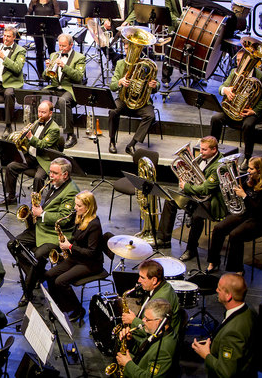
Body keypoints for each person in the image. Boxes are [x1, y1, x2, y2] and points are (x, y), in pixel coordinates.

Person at [10, 157, 79, 306]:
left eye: (54, 173)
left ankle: (28, 292)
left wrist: (41, 213)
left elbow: (64, 219)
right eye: (50, 172)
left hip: (57, 234)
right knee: (13, 244)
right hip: (42, 228)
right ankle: (36, 276)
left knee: (38, 255)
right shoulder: (55, 184)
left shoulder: (71, 191)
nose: (50, 176)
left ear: (65, 175)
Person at [157, 136, 227, 260]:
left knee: (197, 215)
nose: (201, 152)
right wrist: (184, 179)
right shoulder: (202, 158)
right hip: (196, 193)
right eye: (201, 149)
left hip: (212, 200)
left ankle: (191, 249)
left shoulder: (219, 166)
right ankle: (164, 239)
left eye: (204, 150)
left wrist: (187, 186)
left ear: (214, 150)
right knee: (170, 200)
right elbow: (195, 177)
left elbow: (206, 189)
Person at [207, 157, 262, 273]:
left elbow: (259, 209)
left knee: (235, 235)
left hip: (261, 221)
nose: (248, 171)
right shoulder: (250, 181)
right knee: (218, 228)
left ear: (259, 171)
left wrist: (244, 196)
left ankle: (238, 269)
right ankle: (213, 261)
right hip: (246, 214)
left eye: (251, 168)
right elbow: (241, 199)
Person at [45, 191, 103, 322]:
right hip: (76, 257)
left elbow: (91, 253)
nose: (75, 208)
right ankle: (60, 305)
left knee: (61, 281)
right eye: (76, 205)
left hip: (90, 263)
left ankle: (78, 309)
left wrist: (70, 247)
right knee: (49, 275)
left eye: (79, 206)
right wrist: (67, 240)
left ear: (88, 207)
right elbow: (78, 239)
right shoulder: (80, 217)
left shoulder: (94, 225)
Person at [210, 49, 262, 171]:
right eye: (238, 60)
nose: (239, 63)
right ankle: (213, 151)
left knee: (248, 125)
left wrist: (254, 111)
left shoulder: (261, 76)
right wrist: (225, 90)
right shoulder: (234, 72)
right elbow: (222, 87)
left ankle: (248, 157)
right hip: (233, 110)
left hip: (249, 111)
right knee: (215, 118)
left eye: (241, 60)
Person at [192, 273, 256, 377]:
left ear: (228, 296)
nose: (216, 290)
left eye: (219, 289)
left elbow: (226, 372)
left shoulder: (233, 333)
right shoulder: (249, 309)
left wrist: (206, 355)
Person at [0, 100, 60, 206]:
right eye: (39, 111)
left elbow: (43, 145)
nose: (40, 115)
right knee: (11, 167)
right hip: (31, 157)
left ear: (50, 113)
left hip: (44, 160)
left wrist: (30, 137)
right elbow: (29, 141)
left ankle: (35, 204)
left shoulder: (54, 129)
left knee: (38, 178)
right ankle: (11, 197)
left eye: (43, 112)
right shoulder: (36, 122)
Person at [108, 41, 159, 155]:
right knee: (113, 111)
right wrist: (120, 82)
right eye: (127, 49)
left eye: (132, 49)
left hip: (141, 101)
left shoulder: (147, 65)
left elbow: (157, 84)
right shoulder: (120, 63)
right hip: (123, 99)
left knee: (150, 116)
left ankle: (132, 144)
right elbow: (112, 86)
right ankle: (112, 141)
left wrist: (154, 86)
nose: (129, 52)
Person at [44, 33, 86, 149]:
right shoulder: (54, 55)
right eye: (59, 45)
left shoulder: (79, 58)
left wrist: (64, 66)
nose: (61, 48)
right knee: (38, 96)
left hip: (70, 90)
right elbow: (44, 78)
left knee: (63, 101)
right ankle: (41, 129)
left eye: (63, 46)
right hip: (55, 87)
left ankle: (70, 135)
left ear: (71, 45)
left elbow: (78, 77)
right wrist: (47, 68)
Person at [116, 299, 178, 378]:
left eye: (147, 319)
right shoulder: (157, 332)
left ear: (159, 322)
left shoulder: (163, 350)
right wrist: (130, 340)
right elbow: (145, 351)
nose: (143, 321)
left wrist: (127, 364)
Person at [121, 259, 180, 334]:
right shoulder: (163, 285)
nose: (139, 280)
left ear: (154, 280)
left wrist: (133, 321)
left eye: (142, 278)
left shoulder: (160, 300)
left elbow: (153, 330)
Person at [161, 0, 195, 88]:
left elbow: (193, 8)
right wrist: (179, 20)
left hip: (189, 28)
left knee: (192, 52)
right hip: (175, 26)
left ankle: (194, 78)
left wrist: (186, 21)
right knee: (169, 52)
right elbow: (168, 11)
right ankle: (165, 78)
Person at [101, 0, 140, 67]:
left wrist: (127, 21)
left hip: (126, 23)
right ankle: (114, 57)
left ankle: (127, 64)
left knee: (129, 42)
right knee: (98, 36)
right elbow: (104, 6)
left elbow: (136, 9)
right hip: (112, 22)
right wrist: (106, 20)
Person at [28, 0, 61, 78]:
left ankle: (52, 73)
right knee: (39, 53)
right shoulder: (34, 1)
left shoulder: (53, 0)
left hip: (50, 29)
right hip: (37, 30)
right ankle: (41, 75)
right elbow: (28, 14)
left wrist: (49, 18)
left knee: (51, 51)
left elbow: (58, 14)